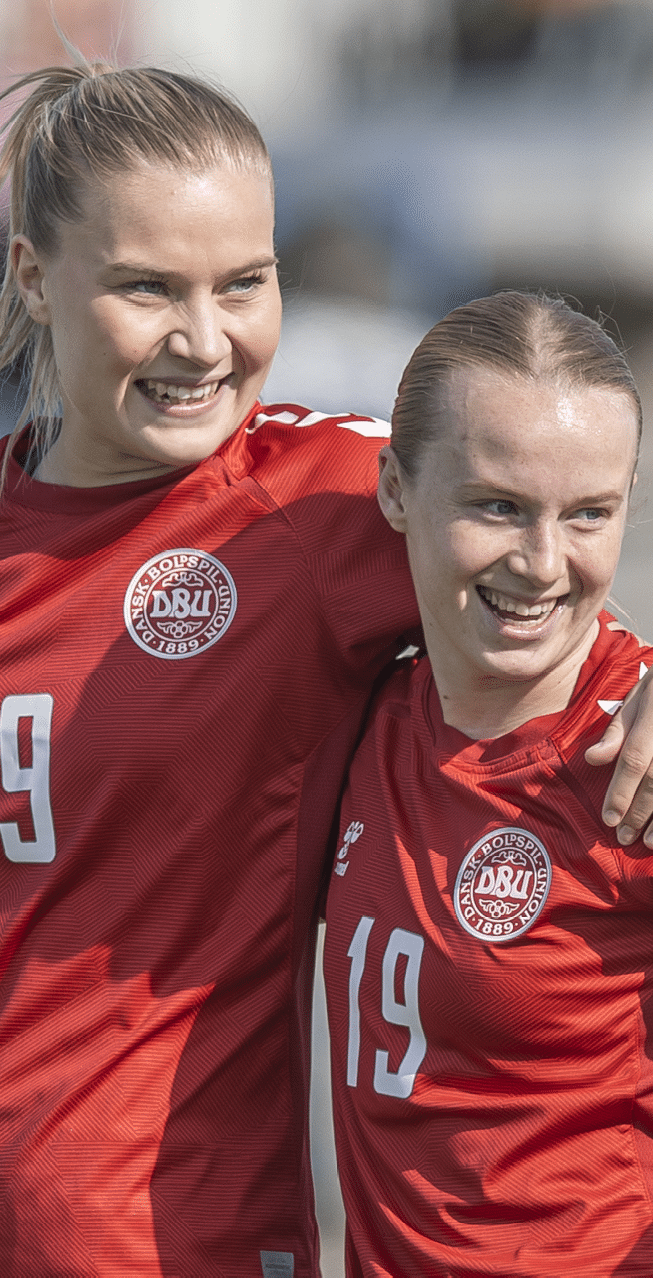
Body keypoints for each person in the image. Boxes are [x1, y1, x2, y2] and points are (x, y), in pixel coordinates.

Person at [0, 59, 651, 1279]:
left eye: (244, 282)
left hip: (190, 1240)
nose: (204, 338)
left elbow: (539, 549)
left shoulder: (321, 499)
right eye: (146, 286)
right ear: (33, 279)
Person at [324, 290, 653, 1278]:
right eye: (497, 505)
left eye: (588, 512)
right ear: (392, 490)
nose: (542, 562)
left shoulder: (631, 768)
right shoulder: (356, 705)